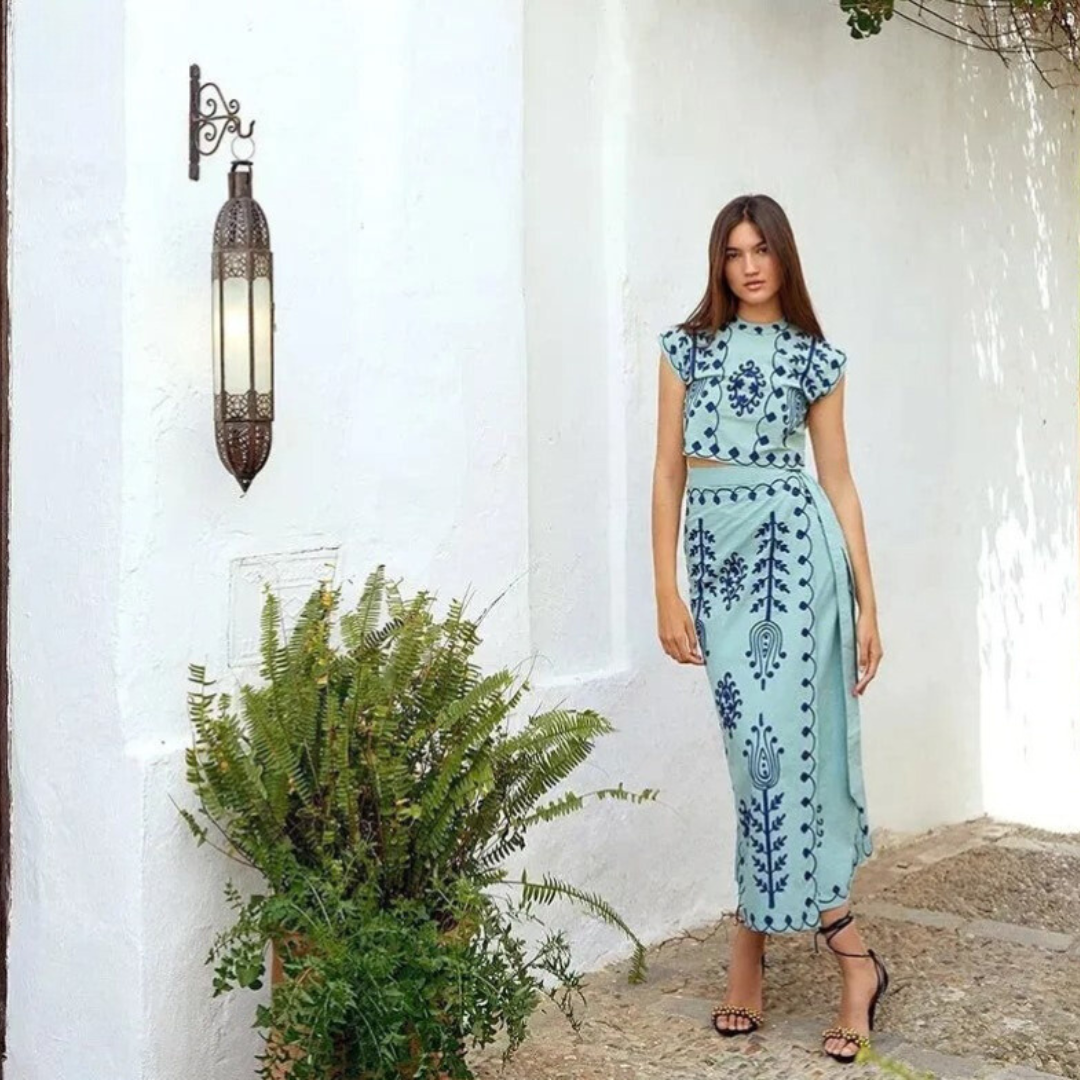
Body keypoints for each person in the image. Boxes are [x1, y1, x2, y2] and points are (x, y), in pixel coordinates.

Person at [651, 193, 888, 1064]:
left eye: (762, 250)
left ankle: (803, 961)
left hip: (796, 558)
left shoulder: (815, 360)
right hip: (718, 566)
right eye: (734, 252)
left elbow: (839, 481)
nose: (749, 266)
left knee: (781, 755)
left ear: (785, 256)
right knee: (749, 755)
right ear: (719, 262)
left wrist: (868, 600)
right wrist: (666, 591)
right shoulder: (684, 348)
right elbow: (667, 474)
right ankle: (827, 952)